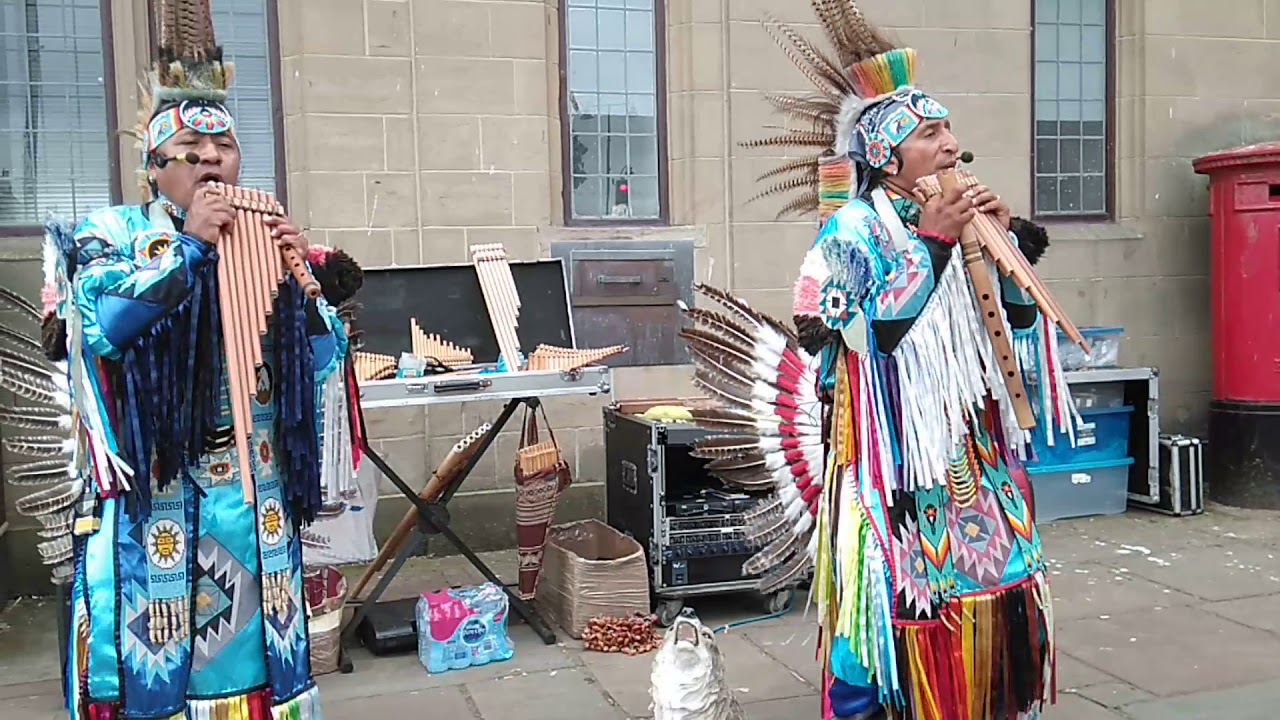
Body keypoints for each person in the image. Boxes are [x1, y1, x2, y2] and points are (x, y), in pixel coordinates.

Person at [677, 4, 1076, 719]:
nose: (953, 146)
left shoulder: (962, 214)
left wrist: (1009, 244)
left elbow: (1013, 328)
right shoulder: (851, 230)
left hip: (971, 444)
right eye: (931, 134)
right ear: (887, 156)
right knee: (882, 605)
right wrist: (930, 244)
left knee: (999, 581)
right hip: (886, 456)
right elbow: (848, 332)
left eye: (950, 129)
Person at [0, 3, 362, 717]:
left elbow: (322, 368)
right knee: (155, 662)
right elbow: (102, 328)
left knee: (259, 660)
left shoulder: (263, 238)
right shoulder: (110, 235)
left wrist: (297, 289)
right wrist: (191, 250)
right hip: (156, 497)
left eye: (221, 146)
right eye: (188, 148)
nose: (207, 159)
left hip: (254, 496)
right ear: (152, 167)